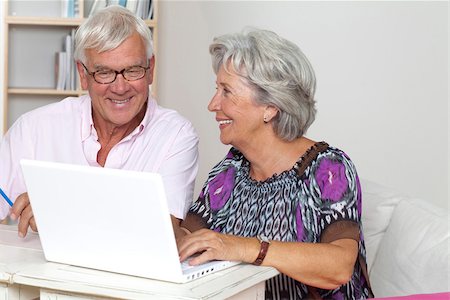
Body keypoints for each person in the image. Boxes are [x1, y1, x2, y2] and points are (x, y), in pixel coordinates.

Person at [176, 28, 373, 299]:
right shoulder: (230, 171)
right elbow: (187, 238)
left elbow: (339, 266)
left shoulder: (327, 169)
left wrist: (244, 248)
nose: (212, 105)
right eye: (216, 89)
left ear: (270, 107)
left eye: (226, 91)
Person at [0, 5, 198, 238]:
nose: (120, 87)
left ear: (150, 68)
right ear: (83, 75)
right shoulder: (33, 129)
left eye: (133, 70)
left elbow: (163, 235)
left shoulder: (177, 135)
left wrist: (58, 211)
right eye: (104, 73)